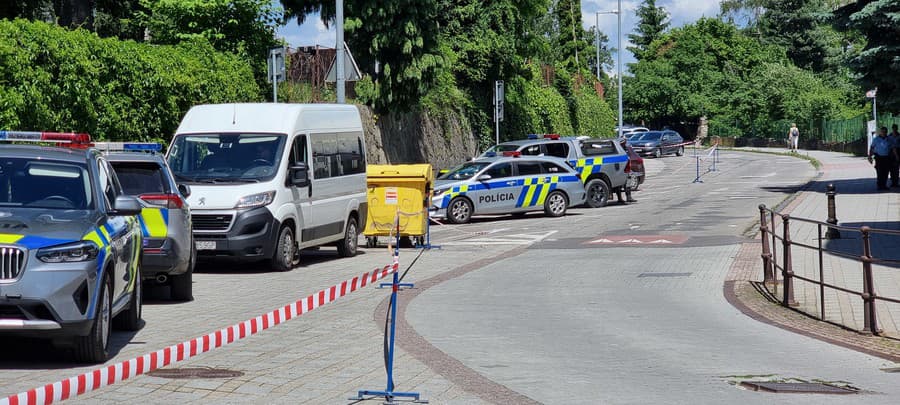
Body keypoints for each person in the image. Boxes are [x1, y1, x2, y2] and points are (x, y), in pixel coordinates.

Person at [868, 127, 896, 191]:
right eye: (882, 131)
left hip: (887, 157)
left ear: (887, 132)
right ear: (880, 132)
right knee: (879, 172)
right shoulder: (876, 139)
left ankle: (884, 185)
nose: (884, 133)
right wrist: (869, 156)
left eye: (885, 131)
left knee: (886, 172)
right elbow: (872, 148)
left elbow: (893, 148)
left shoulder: (889, 139)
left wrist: (896, 156)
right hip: (879, 157)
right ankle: (880, 185)